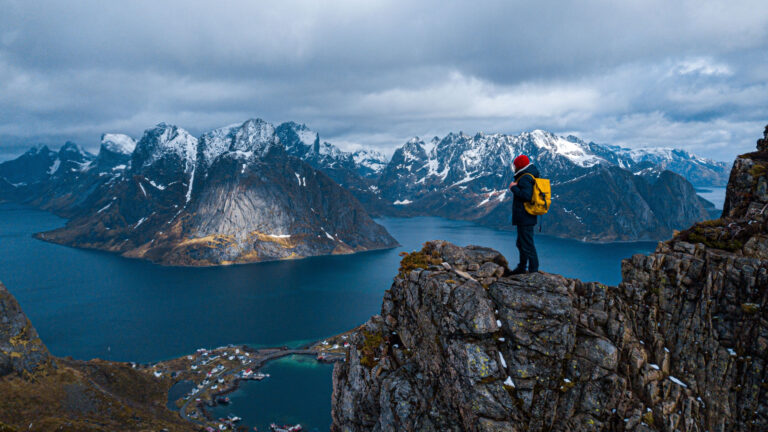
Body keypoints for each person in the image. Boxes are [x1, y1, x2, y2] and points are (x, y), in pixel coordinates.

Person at [508, 154, 539, 274]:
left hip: (525, 217)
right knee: (521, 243)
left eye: (515, 165)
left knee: (527, 245)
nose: (514, 167)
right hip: (526, 216)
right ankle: (522, 267)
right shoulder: (527, 175)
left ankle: (533, 271)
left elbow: (527, 196)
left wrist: (513, 188)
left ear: (519, 166)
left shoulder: (525, 177)